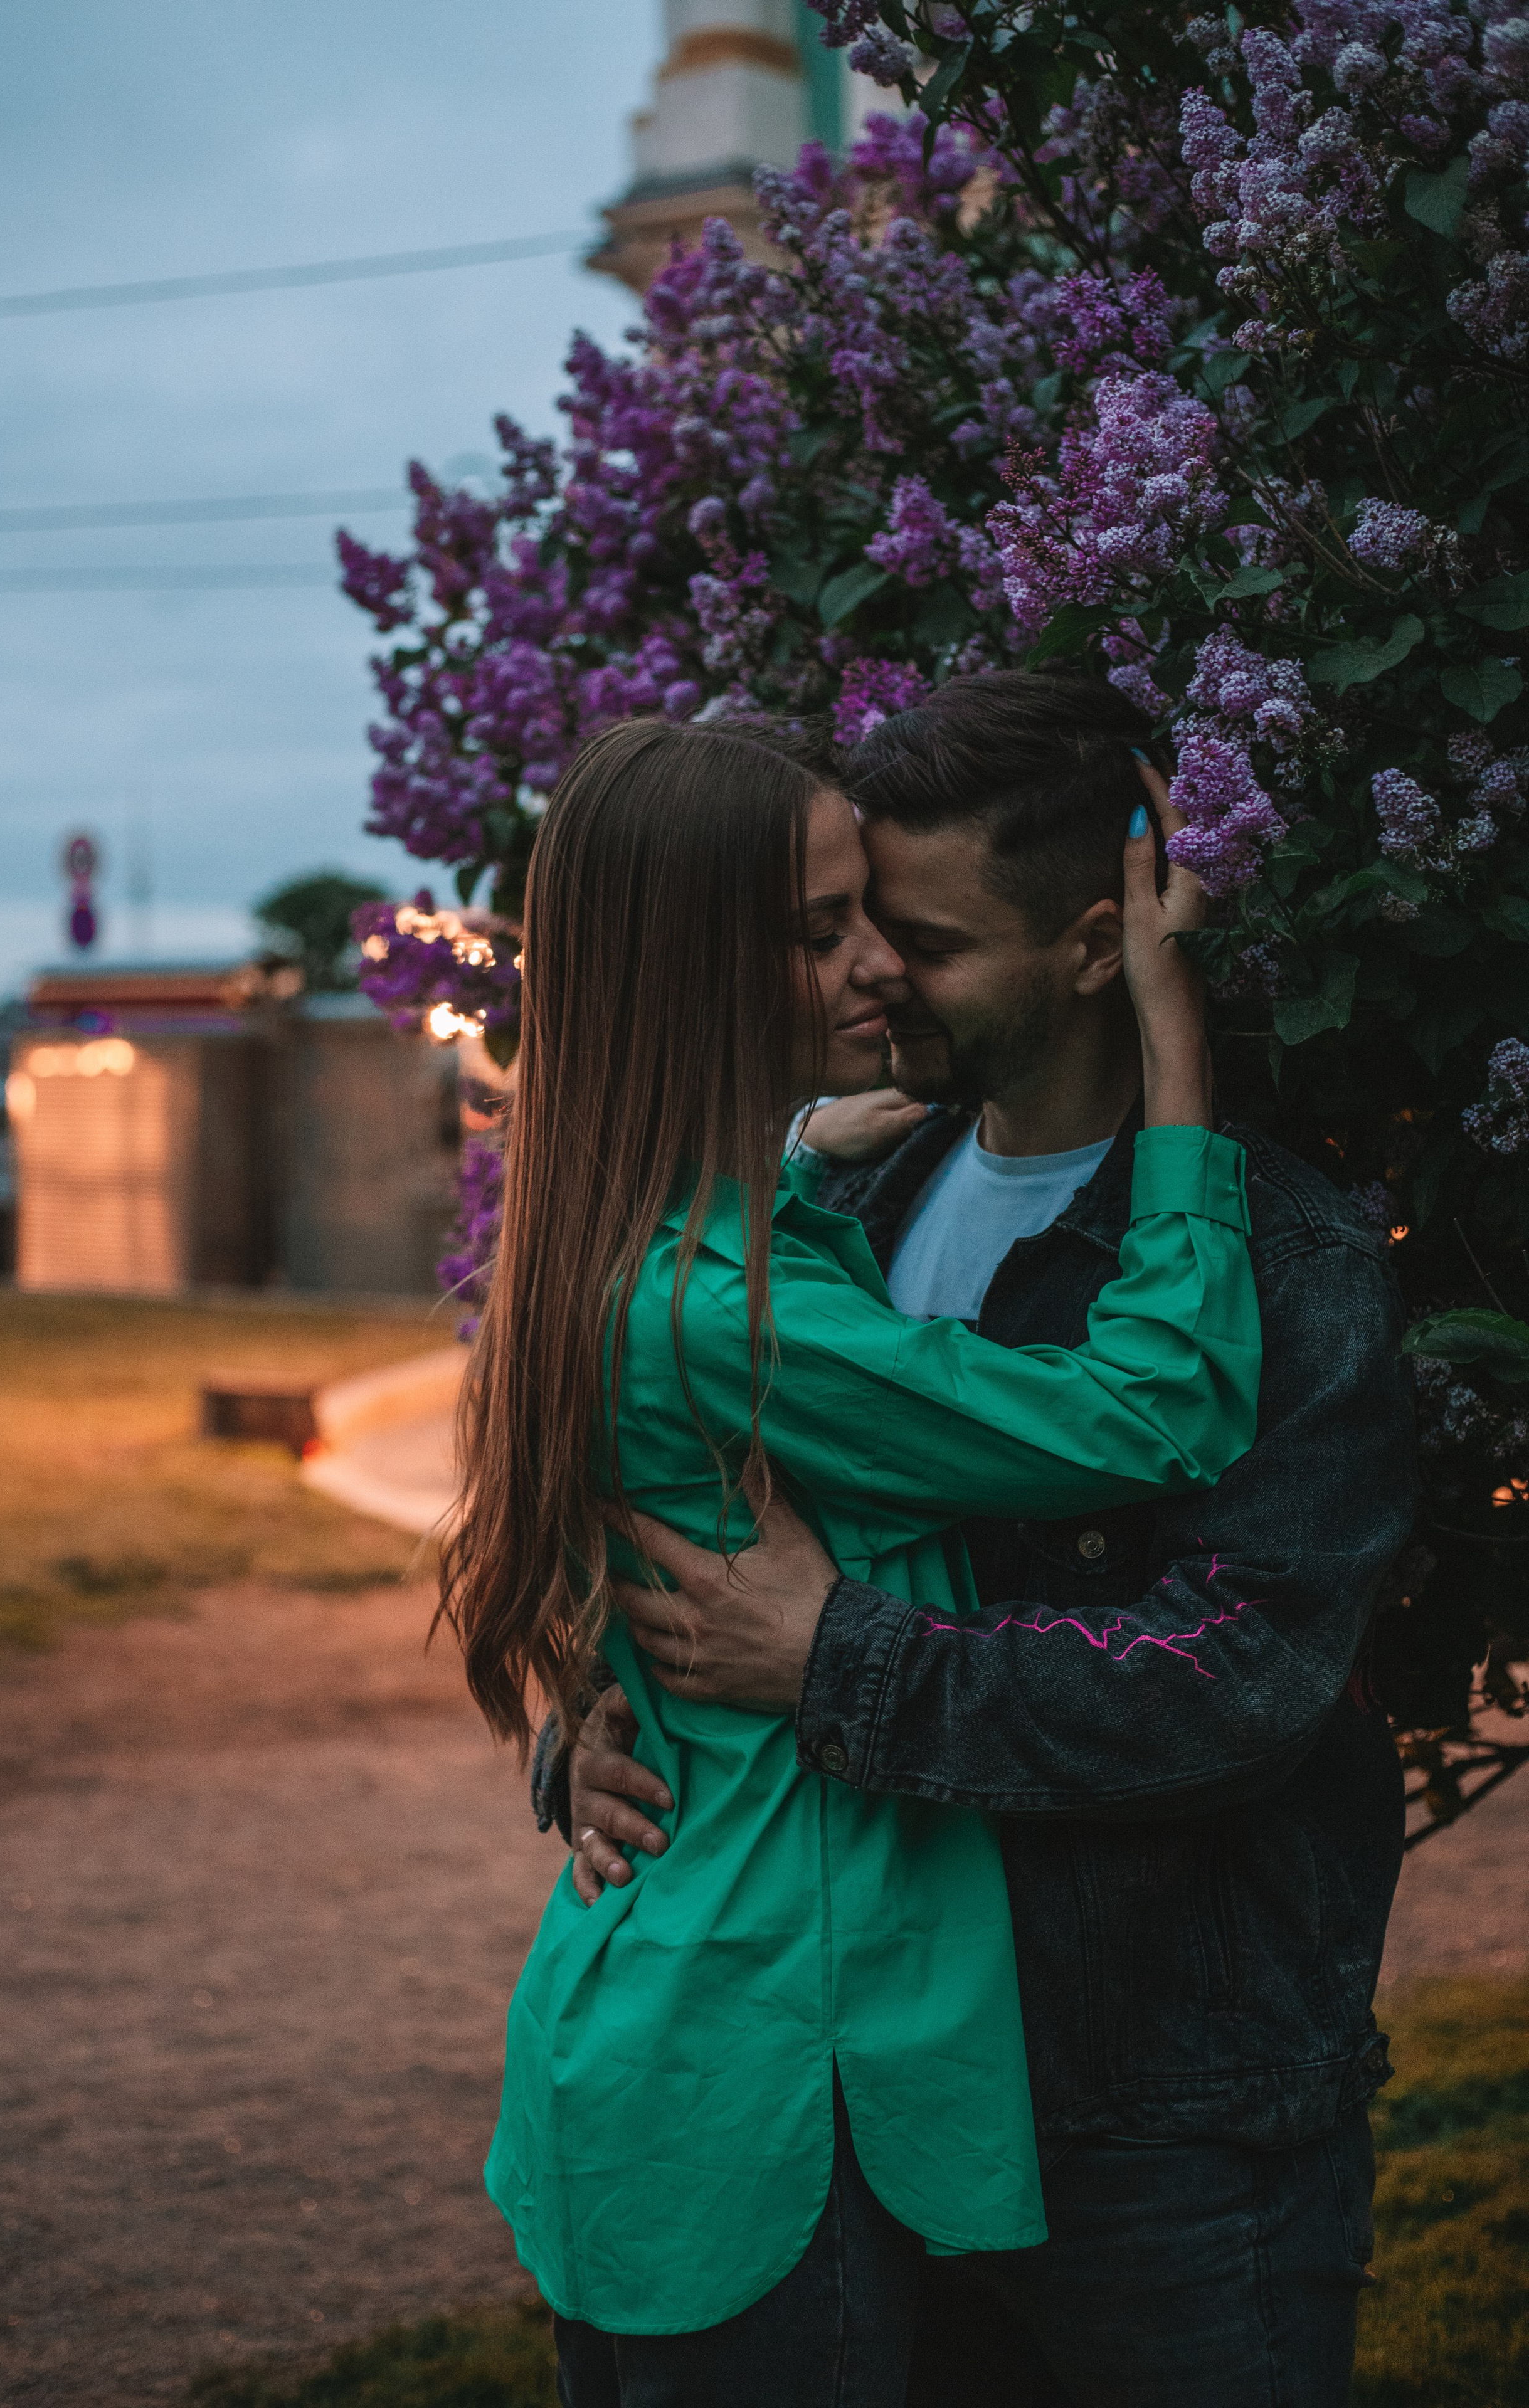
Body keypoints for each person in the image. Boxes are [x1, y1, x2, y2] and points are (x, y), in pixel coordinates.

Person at [553, 673, 1415, 2408]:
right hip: (871, 2101)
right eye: (846, 922)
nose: (874, 969)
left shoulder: (1293, 1264)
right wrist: (597, 1722)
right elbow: (668, 1529)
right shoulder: (841, 1202)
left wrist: (833, 1662)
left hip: (1155, 2129)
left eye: (918, 936)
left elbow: (1238, 1683)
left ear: (1098, 949)